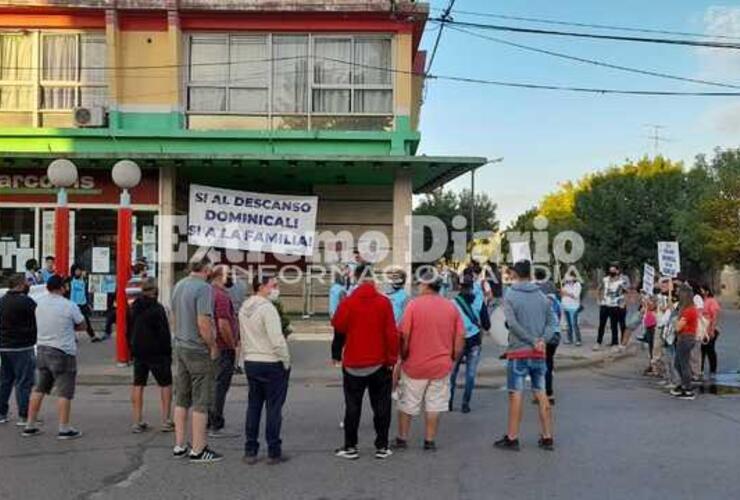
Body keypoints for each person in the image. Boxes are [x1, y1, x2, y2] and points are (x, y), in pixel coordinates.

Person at [331, 264, 398, 460]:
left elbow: (339, 329)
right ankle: (382, 446)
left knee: (352, 406)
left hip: (353, 363)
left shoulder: (348, 302)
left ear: (356, 278)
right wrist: (392, 359)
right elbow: (391, 334)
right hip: (379, 363)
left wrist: (336, 354)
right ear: (373, 279)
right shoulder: (384, 303)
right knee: (381, 406)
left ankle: (350, 447)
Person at [394, 271, 464, 451]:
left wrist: (404, 354)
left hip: (415, 365)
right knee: (435, 404)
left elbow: (405, 334)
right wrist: (453, 357)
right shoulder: (451, 307)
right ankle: (429, 440)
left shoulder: (413, 306)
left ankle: (402, 438)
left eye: (419, 283)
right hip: (441, 365)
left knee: (407, 402)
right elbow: (460, 337)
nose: (417, 286)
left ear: (425, 285)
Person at [494, 260, 556, 452]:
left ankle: (513, 437)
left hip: (518, 352)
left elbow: (512, 324)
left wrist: (530, 340)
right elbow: (552, 323)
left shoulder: (510, 295)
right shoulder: (542, 296)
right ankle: (547, 437)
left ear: (514, 274)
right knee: (541, 393)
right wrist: (541, 341)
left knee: (516, 395)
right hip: (538, 352)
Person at [170, 257, 222, 463]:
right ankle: (199, 449)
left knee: (181, 398)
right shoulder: (203, 289)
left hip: (181, 345)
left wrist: (179, 336)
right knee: (201, 399)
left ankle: (180, 444)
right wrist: (212, 345)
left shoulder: (179, 285)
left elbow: (173, 317)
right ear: (207, 268)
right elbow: (204, 322)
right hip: (198, 349)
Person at [21, 275, 85, 439]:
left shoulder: (39, 304)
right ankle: (64, 428)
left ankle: (30, 424)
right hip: (63, 351)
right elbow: (81, 324)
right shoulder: (69, 305)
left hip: (42, 349)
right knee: (64, 392)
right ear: (62, 287)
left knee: (39, 388)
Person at [240, 274, 291, 465]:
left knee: (253, 406)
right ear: (261, 286)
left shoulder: (245, 307)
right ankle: (273, 451)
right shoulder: (268, 309)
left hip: (251, 360)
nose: (276, 289)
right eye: (273, 285)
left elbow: (243, 337)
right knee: (273, 408)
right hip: (271, 361)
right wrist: (286, 361)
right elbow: (277, 340)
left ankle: (250, 450)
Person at [128, 278, 174, 433]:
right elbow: (164, 332)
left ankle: (136, 420)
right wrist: (168, 351)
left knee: (138, 384)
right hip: (157, 351)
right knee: (165, 384)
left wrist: (131, 347)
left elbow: (129, 327)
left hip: (138, 350)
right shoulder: (157, 308)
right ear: (155, 291)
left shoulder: (135, 306)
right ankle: (166, 420)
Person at [449, 276, 490, 414]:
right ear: (472, 287)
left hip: (457, 342)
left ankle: (449, 402)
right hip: (474, 342)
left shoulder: (453, 303)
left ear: (460, 287)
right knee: (470, 374)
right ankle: (465, 404)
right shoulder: (479, 301)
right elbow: (487, 324)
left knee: (452, 373)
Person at [0, 274, 37, 426]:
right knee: (23, 382)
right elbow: (37, 318)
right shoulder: (27, 302)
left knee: (5, 380)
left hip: (4, 346)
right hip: (23, 345)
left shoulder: (2, 301)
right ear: (21, 285)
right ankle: (23, 415)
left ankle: (1, 413)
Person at [207, 265, 239, 437]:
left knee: (213, 384)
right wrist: (232, 344)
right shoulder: (220, 296)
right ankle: (216, 423)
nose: (232, 277)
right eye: (229, 274)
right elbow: (223, 324)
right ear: (220, 276)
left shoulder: (209, 292)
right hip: (223, 347)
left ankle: (208, 420)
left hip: (212, 347)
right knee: (220, 386)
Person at [595, 263, 629, 350]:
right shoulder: (605, 279)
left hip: (615, 305)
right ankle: (598, 342)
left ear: (617, 271)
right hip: (605, 304)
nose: (612, 272)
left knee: (614, 325)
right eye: (610, 271)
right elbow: (599, 289)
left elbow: (626, 292)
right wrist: (598, 299)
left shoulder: (621, 281)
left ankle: (615, 343)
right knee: (602, 324)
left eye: (614, 271)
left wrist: (624, 302)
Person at [69, 264, 98, 342]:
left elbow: (87, 291)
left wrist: (89, 303)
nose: (78, 272)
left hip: (83, 303)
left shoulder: (84, 280)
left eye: (79, 270)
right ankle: (72, 336)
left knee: (86, 320)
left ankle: (92, 336)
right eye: (76, 270)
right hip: (73, 304)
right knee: (71, 321)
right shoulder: (70, 280)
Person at [699, 285, 721, 378]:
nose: (701, 292)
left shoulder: (712, 301)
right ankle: (700, 369)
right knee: (701, 350)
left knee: (710, 350)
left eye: (702, 290)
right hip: (702, 329)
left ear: (707, 291)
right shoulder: (700, 301)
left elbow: (715, 316)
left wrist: (712, 329)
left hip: (710, 329)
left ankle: (713, 369)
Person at [560, 274, 582, 346]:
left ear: (574, 277)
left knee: (575, 324)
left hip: (574, 307)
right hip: (566, 306)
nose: (567, 278)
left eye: (569, 277)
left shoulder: (577, 285)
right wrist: (562, 293)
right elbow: (563, 294)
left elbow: (575, 296)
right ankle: (570, 339)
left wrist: (566, 293)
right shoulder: (566, 285)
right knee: (568, 324)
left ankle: (578, 340)